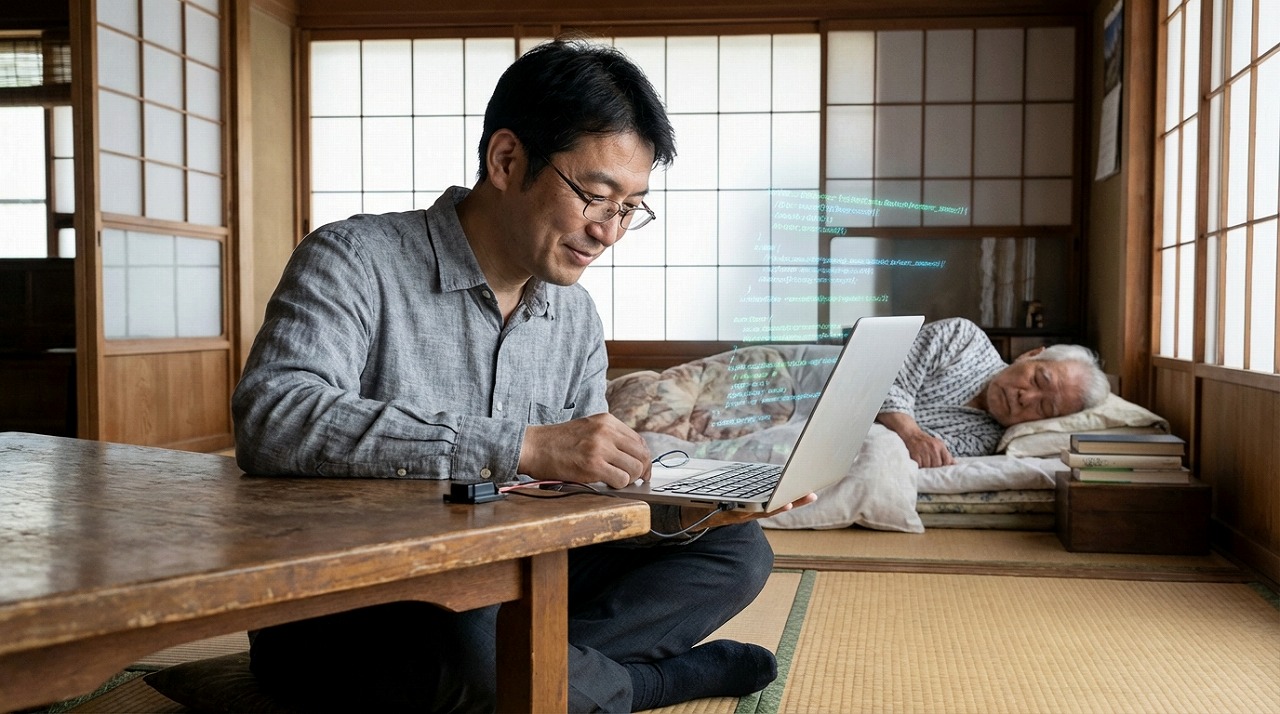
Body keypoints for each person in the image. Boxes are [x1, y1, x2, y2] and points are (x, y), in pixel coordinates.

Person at [231, 37, 815, 713]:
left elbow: (578, 491)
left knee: (737, 553)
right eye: (597, 197)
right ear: (507, 160)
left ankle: (554, 670)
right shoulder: (353, 259)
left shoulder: (573, 315)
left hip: (508, 585)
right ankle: (645, 682)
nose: (609, 232)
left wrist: (695, 495)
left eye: (629, 207)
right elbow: (275, 417)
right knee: (469, 641)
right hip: (358, 601)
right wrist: (526, 446)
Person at [876, 317, 1110, 468]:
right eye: (1038, 379)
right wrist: (911, 433)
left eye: (1043, 408)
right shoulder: (963, 339)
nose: (1026, 397)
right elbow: (881, 374)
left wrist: (909, 438)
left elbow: (919, 455)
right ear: (1030, 355)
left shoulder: (987, 442)